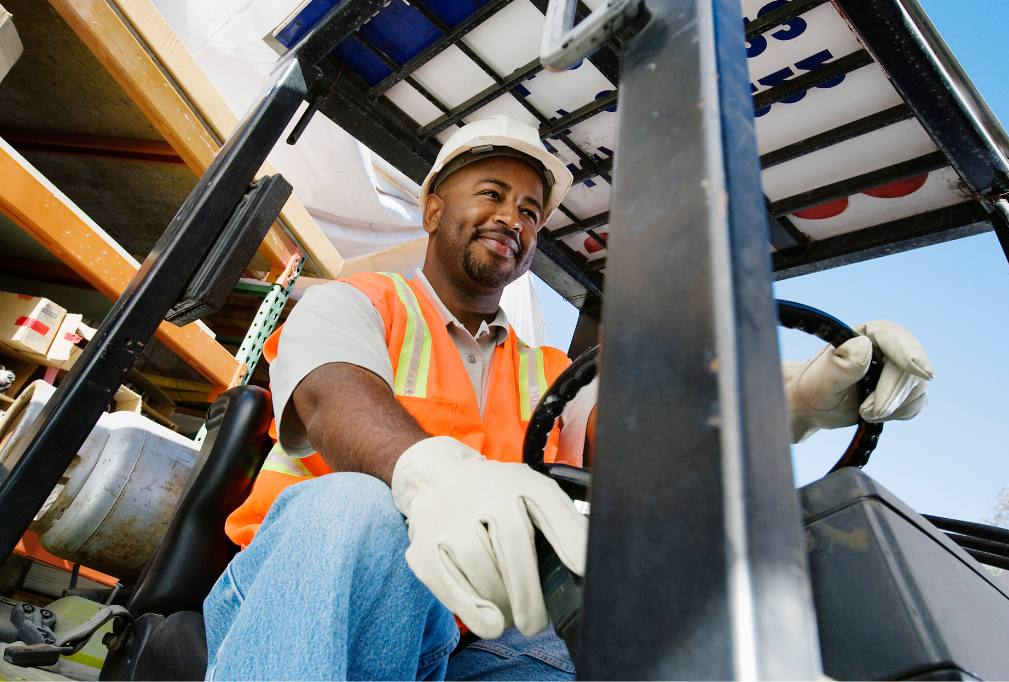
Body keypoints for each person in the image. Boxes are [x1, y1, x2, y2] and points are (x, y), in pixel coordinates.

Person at [203, 115, 933, 680]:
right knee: (356, 508)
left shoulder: (554, 370)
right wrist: (432, 476)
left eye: (529, 212)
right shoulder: (355, 303)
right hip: (309, 601)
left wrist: (798, 401)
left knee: (606, 640)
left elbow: (654, 433)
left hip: (475, 635)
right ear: (430, 210)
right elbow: (334, 397)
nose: (512, 220)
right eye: (491, 194)